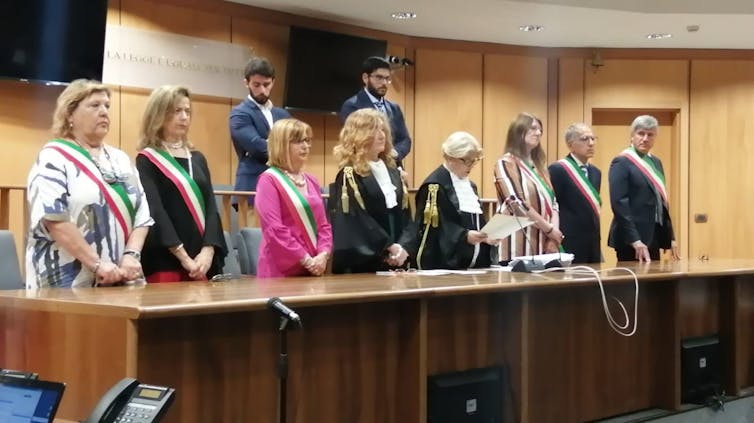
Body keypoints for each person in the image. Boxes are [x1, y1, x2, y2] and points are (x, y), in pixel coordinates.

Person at [26, 79, 153, 288]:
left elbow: (142, 214)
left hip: (121, 277)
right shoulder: (53, 157)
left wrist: (131, 255)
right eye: (95, 105)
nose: (104, 112)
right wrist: (96, 264)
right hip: (65, 281)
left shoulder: (120, 158)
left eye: (107, 106)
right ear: (69, 114)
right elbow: (54, 218)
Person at [136, 86, 227, 282]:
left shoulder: (198, 158)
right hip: (167, 261)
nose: (184, 117)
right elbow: (156, 212)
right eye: (177, 111)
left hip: (204, 262)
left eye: (187, 111)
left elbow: (211, 207)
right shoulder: (147, 159)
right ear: (158, 114)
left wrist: (208, 251)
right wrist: (184, 258)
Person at [329, 108, 410, 273]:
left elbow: (406, 215)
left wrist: (403, 247)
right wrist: (388, 247)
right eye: (374, 130)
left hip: (397, 259)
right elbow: (356, 222)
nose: (382, 135)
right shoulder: (349, 175)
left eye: (382, 129)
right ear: (358, 136)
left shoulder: (394, 172)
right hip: (366, 264)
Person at [401, 131, 495, 270]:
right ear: (450, 157)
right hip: (445, 267)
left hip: (475, 267)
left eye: (474, 160)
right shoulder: (434, 187)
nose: (471, 165)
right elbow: (434, 230)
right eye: (466, 160)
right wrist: (464, 236)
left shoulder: (471, 186)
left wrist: (488, 236)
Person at [255, 119, 332, 277]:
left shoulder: (312, 180)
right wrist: (306, 260)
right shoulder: (268, 180)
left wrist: (323, 254)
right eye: (297, 141)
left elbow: (324, 226)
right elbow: (274, 229)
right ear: (281, 145)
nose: (305, 146)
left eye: (307, 140)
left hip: (314, 268)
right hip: (281, 271)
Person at [608, 115, 679, 262]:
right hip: (631, 240)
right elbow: (619, 204)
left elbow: (662, 202)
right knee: (632, 283)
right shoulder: (622, 161)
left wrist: (670, 236)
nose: (645, 138)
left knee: (654, 283)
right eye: (641, 133)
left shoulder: (656, 162)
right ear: (632, 136)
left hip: (654, 235)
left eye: (650, 135)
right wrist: (635, 240)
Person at [494, 112, 563, 262]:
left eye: (540, 130)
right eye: (533, 128)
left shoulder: (540, 167)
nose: (538, 133)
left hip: (543, 245)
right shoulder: (506, 163)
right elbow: (516, 202)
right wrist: (549, 229)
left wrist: (553, 237)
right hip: (517, 245)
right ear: (518, 131)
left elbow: (553, 203)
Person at [229, 57, 291, 207]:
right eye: (256, 85)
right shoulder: (239, 114)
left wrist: (272, 144)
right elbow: (257, 147)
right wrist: (283, 147)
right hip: (253, 186)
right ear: (246, 83)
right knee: (254, 231)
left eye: (266, 84)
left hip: (284, 186)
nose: (262, 90)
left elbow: (295, 145)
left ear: (273, 82)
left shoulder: (283, 115)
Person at [339, 56, 412, 166]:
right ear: (365, 78)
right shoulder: (352, 106)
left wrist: (394, 154)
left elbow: (405, 140)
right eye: (379, 78)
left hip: (393, 167)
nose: (384, 83)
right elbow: (354, 142)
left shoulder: (394, 108)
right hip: (363, 168)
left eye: (387, 79)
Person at [548, 123, 602, 263]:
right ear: (570, 144)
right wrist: (552, 239)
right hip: (568, 241)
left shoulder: (596, 173)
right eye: (584, 139)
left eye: (593, 138)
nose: (591, 143)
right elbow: (552, 206)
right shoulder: (558, 169)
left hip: (592, 241)